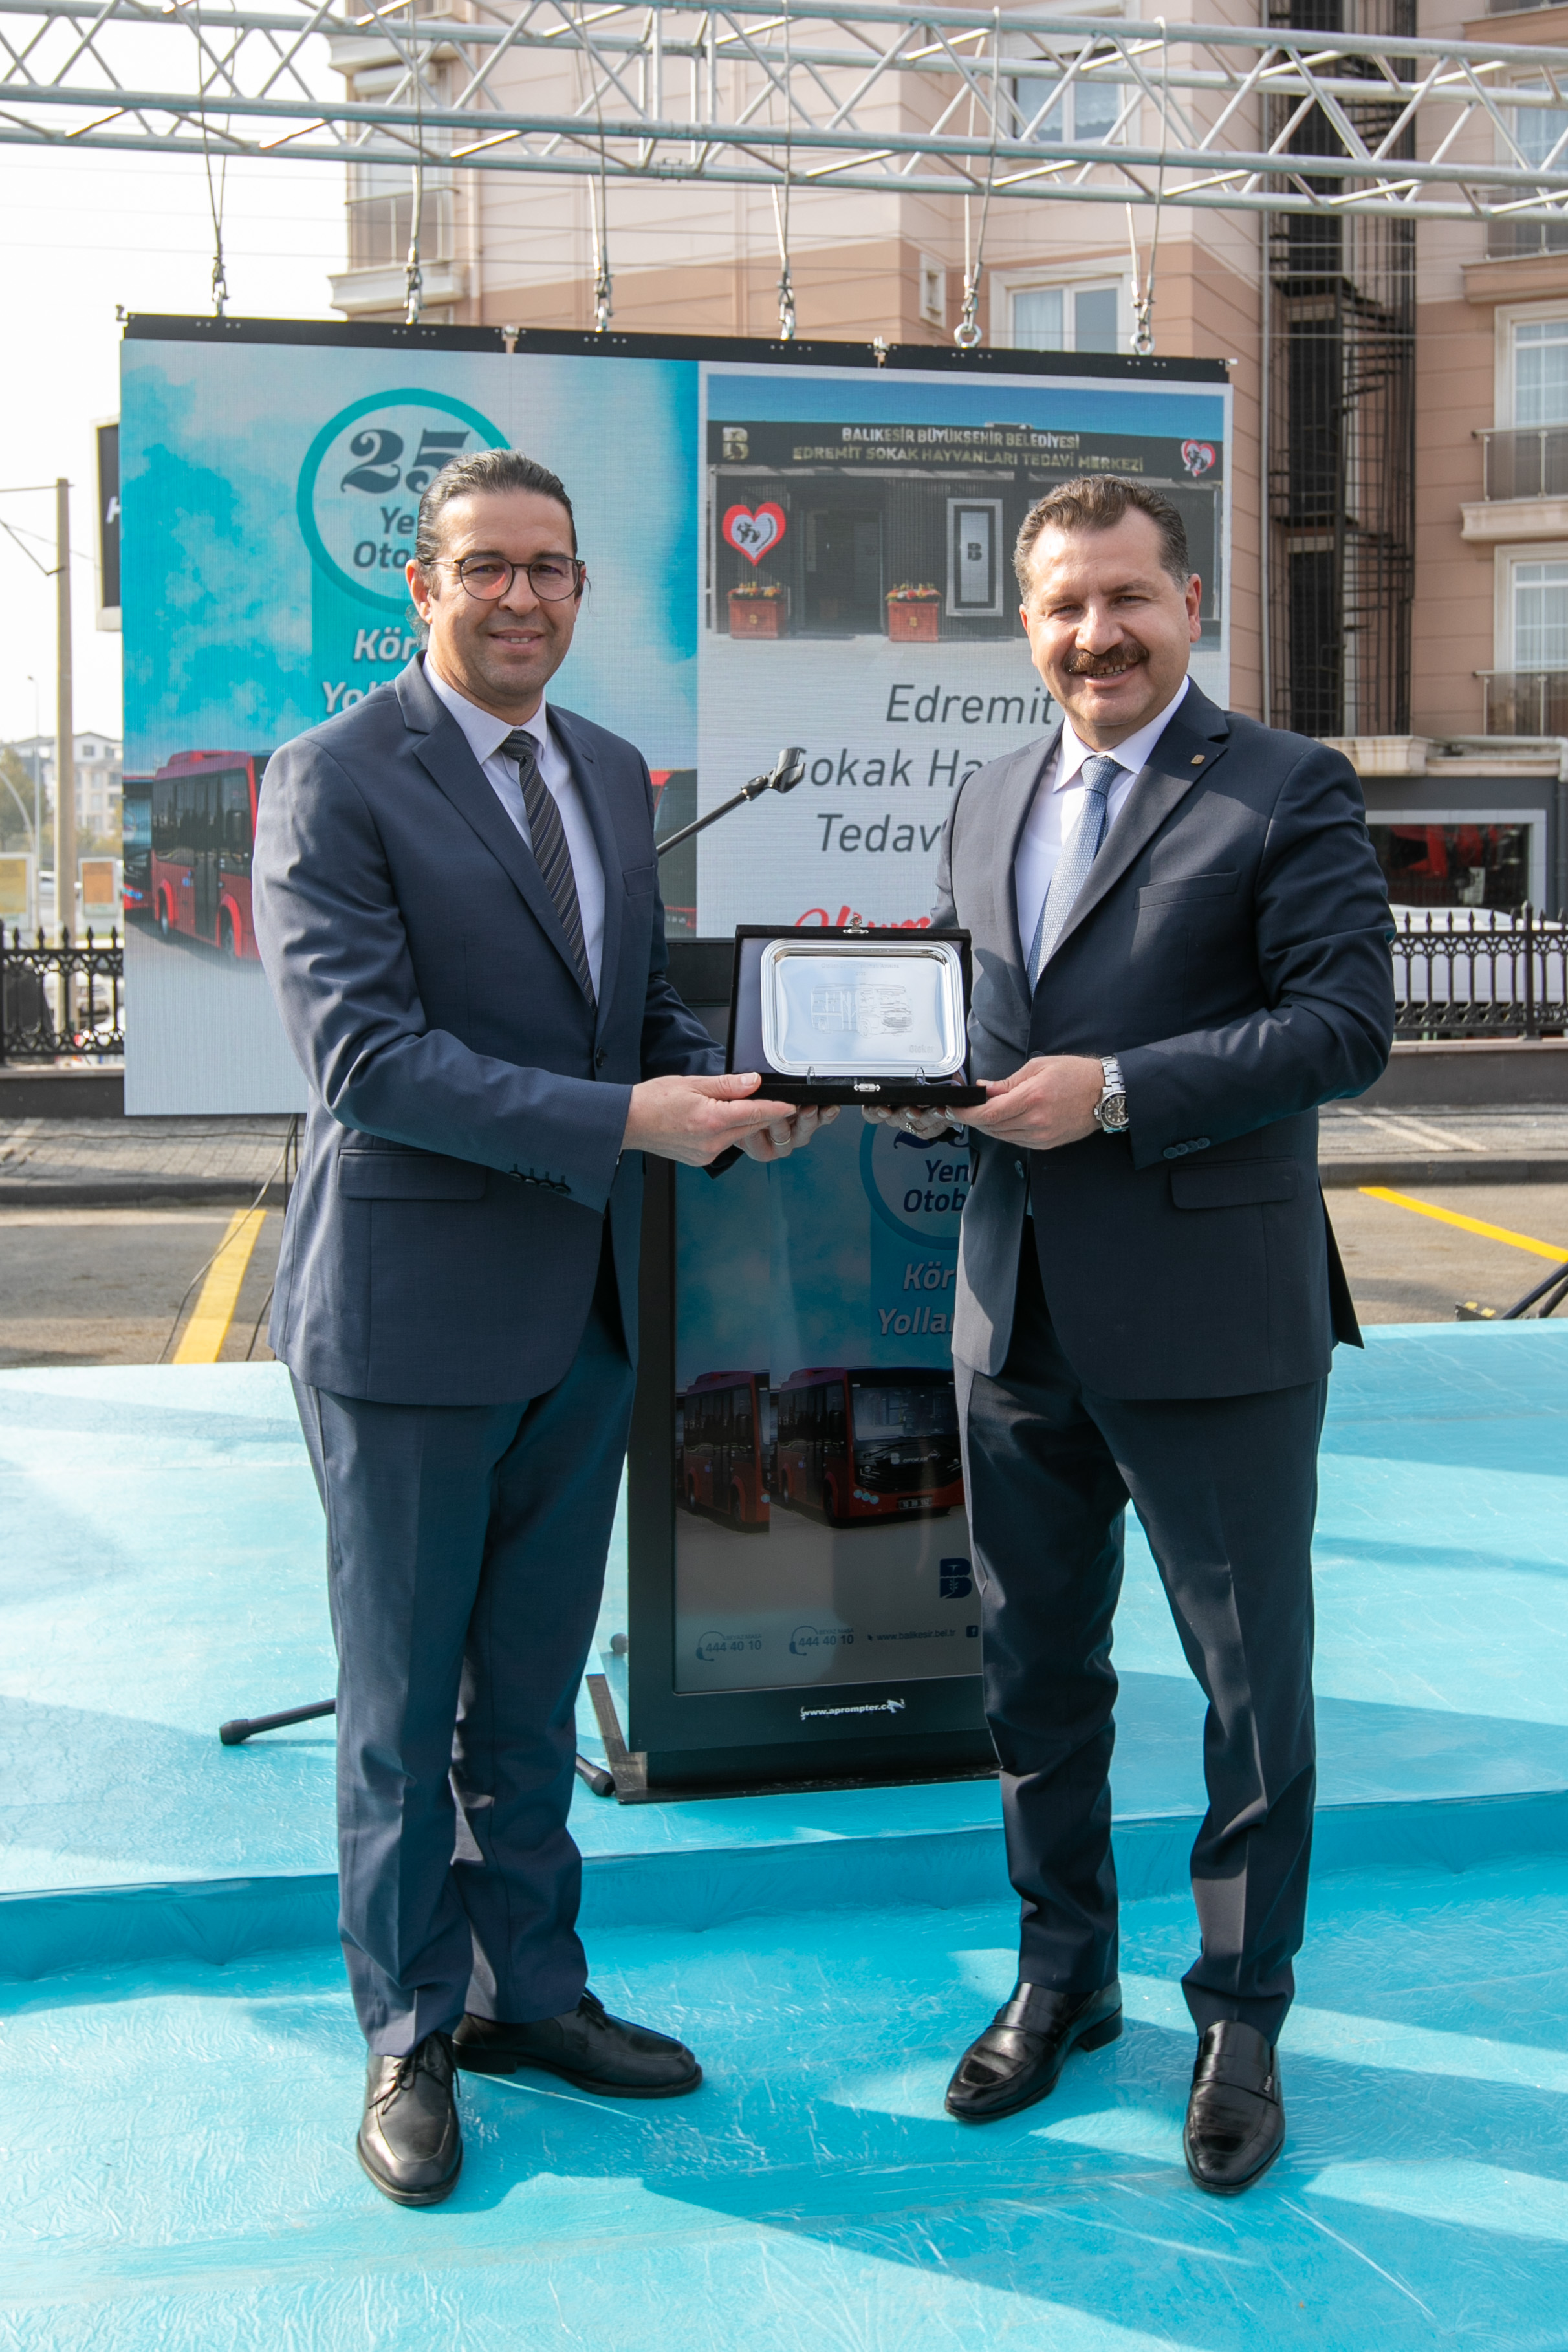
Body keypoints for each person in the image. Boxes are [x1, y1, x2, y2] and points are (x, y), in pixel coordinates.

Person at [253, 448, 831, 2207]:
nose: (521, 597)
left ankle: (530, 1994)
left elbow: (633, 1015)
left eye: (550, 568)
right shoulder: (332, 777)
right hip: (408, 1324)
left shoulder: (602, 767)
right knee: (399, 1706)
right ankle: (408, 2032)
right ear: (421, 586)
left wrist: (735, 1092)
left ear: (582, 587)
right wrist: (630, 1122)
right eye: (487, 567)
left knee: (524, 1697)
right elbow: (367, 1060)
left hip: (581, 1315)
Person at [891, 474, 1392, 2195]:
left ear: (1191, 606)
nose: (1095, 634)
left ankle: (1240, 2017)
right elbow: (973, 1020)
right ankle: (1065, 1976)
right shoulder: (986, 797)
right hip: (1011, 1311)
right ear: (1025, 625)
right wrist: (904, 1079)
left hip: (1213, 1322)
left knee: (1249, 1691)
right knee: (1034, 1674)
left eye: (1127, 598)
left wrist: (1113, 1092)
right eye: (1062, 606)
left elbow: (1344, 1026)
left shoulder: (1285, 787)